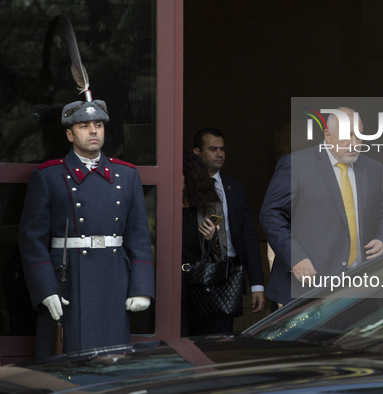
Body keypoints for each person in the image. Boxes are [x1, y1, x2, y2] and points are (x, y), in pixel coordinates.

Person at [19, 98, 155, 360]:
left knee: (111, 364)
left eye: (98, 125)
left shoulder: (127, 175)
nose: (93, 131)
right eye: (84, 126)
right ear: (69, 134)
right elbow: (31, 240)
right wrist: (45, 289)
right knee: (67, 367)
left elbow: (139, 237)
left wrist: (141, 287)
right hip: (67, 282)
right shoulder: (48, 176)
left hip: (113, 281)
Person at [260, 107, 383, 306]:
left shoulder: (374, 169)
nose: (354, 143)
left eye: (358, 135)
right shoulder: (296, 164)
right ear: (328, 135)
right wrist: (295, 258)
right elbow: (271, 215)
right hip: (309, 284)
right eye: (347, 135)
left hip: (360, 285)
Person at [193, 128, 265, 332]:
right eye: (213, 149)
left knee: (222, 338)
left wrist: (257, 285)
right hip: (196, 274)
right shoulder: (184, 186)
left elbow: (248, 237)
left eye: (222, 149)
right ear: (197, 152)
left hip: (228, 272)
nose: (220, 154)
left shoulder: (236, 187)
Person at [181, 152, 228, 336]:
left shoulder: (211, 208)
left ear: (191, 177)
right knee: (175, 337)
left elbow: (223, 251)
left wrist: (213, 239)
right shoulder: (162, 204)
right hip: (170, 282)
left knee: (200, 340)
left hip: (201, 283)